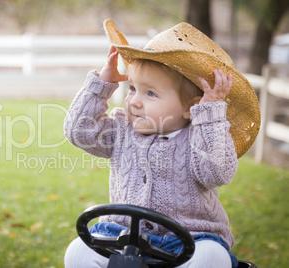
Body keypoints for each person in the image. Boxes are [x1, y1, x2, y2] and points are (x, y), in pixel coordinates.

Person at [63, 19, 260, 268]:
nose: (134, 101)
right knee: (77, 251)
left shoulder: (199, 138)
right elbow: (78, 132)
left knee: (212, 257)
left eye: (150, 93)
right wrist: (101, 86)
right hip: (121, 234)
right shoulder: (121, 130)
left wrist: (209, 116)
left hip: (189, 238)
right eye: (132, 88)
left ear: (191, 107)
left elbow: (217, 173)